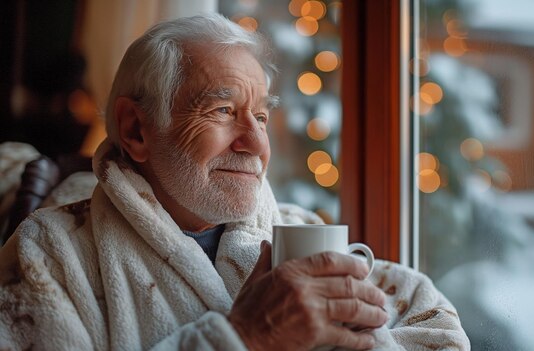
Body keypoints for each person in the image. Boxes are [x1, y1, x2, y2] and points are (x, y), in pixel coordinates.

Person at [0, 14, 470, 350]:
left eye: (261, 116)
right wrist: (246, 336)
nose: (255, 143)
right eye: (223, 111)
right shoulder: (48, 255)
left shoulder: (299, 235)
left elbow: (439, 332)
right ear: (136, 130)